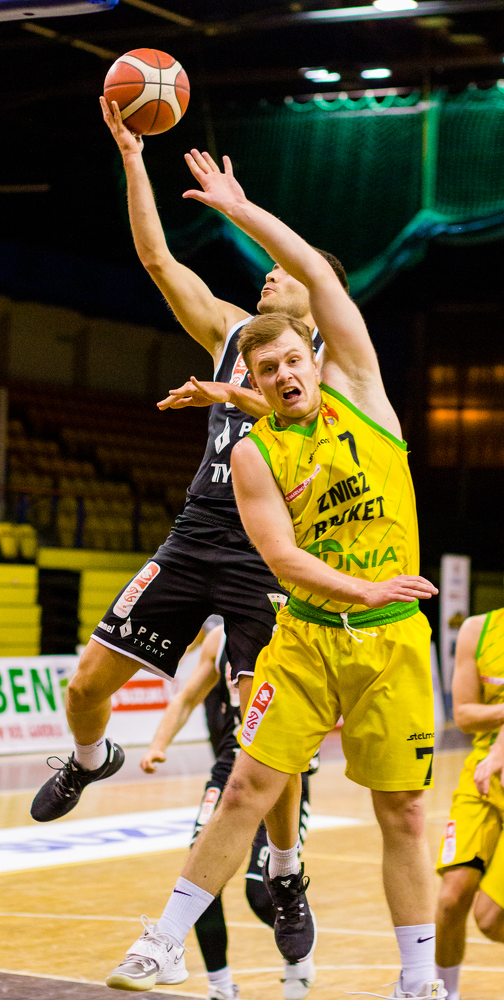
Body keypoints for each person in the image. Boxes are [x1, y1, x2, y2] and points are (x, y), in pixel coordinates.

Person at [106, 150, 443, 1000]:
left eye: (292, 360)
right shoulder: (256, 453)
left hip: (390, 646)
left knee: (403, 811)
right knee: (245, 787)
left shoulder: (362, 391)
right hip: (308, 637)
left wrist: (238, 209)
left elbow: (317, 280)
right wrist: (361, 589)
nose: (283, 375)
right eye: (264, 371)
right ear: (252, 379)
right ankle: (163, 942)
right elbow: (284, 560)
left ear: (313, 355)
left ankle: (417, 981)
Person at [31, 95, 346, 918]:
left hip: (274, 559)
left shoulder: (337, 365)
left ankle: (284, 866)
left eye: (285, 269)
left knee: (260, 732)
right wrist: (133, 159)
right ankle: (91, 758)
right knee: (85, 685)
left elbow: (307, 416)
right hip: (195, 534)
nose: (268, 273)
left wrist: (233, 399)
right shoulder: (233, 335)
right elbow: (158, 259)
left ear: (318, 292)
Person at [140, 621, 315, 1000]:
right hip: (228, 770)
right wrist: (158, 744)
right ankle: (220, 987)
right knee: (203, 880)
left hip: (281, 769)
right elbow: (187, 698)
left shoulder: (298, 628)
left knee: (260, 892)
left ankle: (298, 949)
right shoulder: (219, 640)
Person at [435, 607, 504, 1000]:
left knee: (491, 920)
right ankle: (444, 993)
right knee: (451, 899)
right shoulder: (478, 630)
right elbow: (463, 715)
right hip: (482, 778)